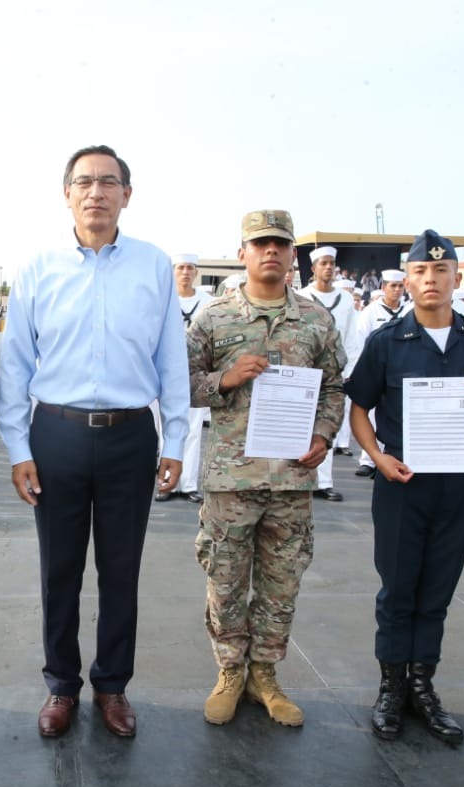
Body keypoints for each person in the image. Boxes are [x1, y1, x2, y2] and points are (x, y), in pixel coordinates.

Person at [0, 144, 188, 738]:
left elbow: (170, 359)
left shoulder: (153, 265)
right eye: (85, 182)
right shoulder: (38, 268)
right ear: (67, 193)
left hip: (131, 436)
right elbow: (15, 366)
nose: (96, 192)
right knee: (59, 570)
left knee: (120, 569)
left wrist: (176, 439)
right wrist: (18, 450)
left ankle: (112, 686)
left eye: (109, 182)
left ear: (127, 194)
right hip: (56, 435)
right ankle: (60, 685)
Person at [345, 229, 464, 746]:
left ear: (457, 277)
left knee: (437, 588)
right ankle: (392, 687)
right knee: (398, 588)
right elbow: (358, 408)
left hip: (456, 483)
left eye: (441, 271)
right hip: (402, 483)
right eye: (420, 272)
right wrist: (377, 458)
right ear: (406, 280)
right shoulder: (386, 340)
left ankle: (424, 684)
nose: (431, 279)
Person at [187, 210, 344, 726]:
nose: (270, 251)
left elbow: (334, 388)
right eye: (260, 243)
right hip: (232, 480)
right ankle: (230, 671)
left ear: (292, 254)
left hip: (292, 479)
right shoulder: (213, 318)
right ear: (243, 254)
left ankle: (266, 675)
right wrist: (225, 379)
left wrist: (323, 435)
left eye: (280, 243)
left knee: (281, 585)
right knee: (226, 582)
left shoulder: (316, 320)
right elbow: (182, 385)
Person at [298, 246, 361, 501]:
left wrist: (348, 370)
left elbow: (351, 337)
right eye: (323, 263)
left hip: (335, 371)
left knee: (328, 425)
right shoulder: (302, 296)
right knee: (303, 426)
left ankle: (324, 481)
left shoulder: (345, 300)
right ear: (313, 268)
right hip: (307, 369)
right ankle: (303, 478)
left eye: (331, 263)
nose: (328, 268)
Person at [164, 252, 212, 503]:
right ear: (174, 271)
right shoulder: (163, 297)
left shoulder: (207, 301)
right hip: (164, 372)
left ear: (196, 272)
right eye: (180, 267)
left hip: (194, 372)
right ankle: (166, 483)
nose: (185, 272)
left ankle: (189, 484)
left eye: (190, 268)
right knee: (165, 430)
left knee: (193, 429)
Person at [353, 270, 409, 478]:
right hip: (377, 369)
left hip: (402, 372)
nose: (396, 290)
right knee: (370, 416)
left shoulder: (409, 310)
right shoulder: (371, 311)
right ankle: (369, 459)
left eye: (399, 286)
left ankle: (393, 457)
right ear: (383, 287)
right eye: (391, 286)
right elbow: (360, 341)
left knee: (396, 416)